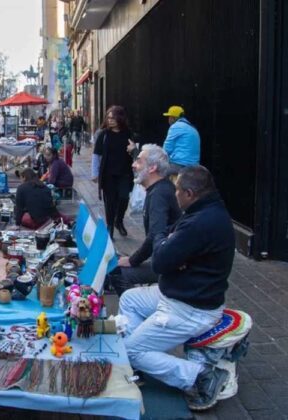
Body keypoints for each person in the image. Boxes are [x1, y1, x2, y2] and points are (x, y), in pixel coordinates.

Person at [119, 165, 235, 411]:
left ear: (190, 193)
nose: (175, 194)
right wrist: (168, 244)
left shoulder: (201, 221)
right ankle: (146, 355)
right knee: (130, 299)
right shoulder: (203, 209)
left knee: (129, 351)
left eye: (178, 190)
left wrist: (164, 240)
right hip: (175, 292)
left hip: (189, 307)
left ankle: (201, 376)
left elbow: (160, 260)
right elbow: (169, 244)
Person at [108, 145, 181, 296]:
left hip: (170, 267)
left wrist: (133, 260)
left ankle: (135, 310)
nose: (133, 165)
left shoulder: (159, 194)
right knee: (117, 258)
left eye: (139, 161)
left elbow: (155, 234)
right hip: (166, 259)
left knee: (117, 272)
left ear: (152, 167)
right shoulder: (158, 189)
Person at [94, 106, 134, 238]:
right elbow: (96, 155)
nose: (110, 120)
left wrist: (132, 150)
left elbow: (134, 152)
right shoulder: (103, 135)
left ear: (120, 118)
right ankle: (110, 226)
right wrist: (95, 173)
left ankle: (119, 221)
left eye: (113, 118)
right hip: (108, 174)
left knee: (124, 198)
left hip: (124, 173)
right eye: (108, 118)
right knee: (109, 202)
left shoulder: (128, 133)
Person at [162, 105, 200, 174]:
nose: (168, 119)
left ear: (173, 118)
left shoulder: (175, 126)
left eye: (169, 117)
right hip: (194, 167)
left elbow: (166, 150)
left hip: (179, 165)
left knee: (154, 171)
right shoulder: (193, 128)